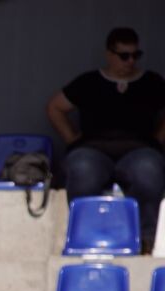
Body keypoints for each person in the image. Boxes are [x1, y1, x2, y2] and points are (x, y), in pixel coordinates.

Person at [47, 27, 165, 251]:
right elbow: (54, 107)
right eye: (124, 55)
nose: (130, 61)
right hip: (93, 149)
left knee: (149, 170)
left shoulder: (152, 82)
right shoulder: (89, 82)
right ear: (109, 54)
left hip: (139, 149)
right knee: (82, 169)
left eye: (135, 55)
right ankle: (83, 237)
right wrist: (71, 139)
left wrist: (158, 139)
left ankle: (147, 240)